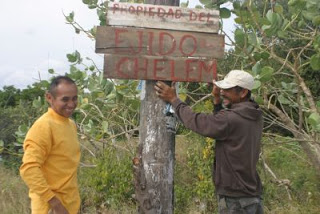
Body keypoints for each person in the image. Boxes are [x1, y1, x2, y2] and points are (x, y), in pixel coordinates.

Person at [154, 70, 263, 214]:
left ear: (243, 92)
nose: (222, 92)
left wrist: (174, 100)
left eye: (227, 89)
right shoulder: (254, 114)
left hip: (235, 199)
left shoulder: (231, 119)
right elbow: (223, 126)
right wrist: (217, 101)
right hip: (250, 194)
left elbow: (197, 122)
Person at [20, 76, 80, 214]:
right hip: (51, 209)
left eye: (74, 98)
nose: (71, 104)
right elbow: (29, 169)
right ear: (49, 97)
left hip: (70, 205)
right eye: (65, 99)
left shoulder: (70, 124)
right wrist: (55, 204)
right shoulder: (43, 126)